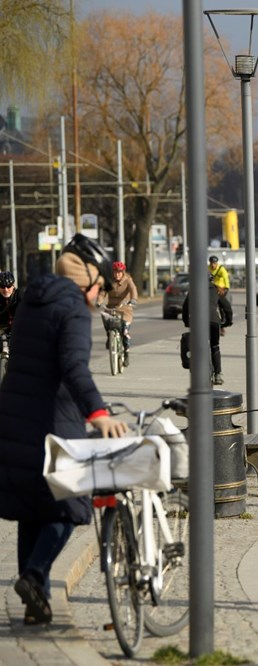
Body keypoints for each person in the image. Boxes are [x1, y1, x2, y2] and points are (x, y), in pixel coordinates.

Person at [0, 234, 129, 626]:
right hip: (54, 420)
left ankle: (35, 607)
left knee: (31, 510)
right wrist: (99, 413)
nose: (100, 296)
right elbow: (75, 367)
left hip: (12, 418)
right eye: (101, 289)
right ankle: (35, 575)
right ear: (88, 281)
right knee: (71, 506)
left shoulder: (31, 301)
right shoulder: (71, 308)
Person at [183, 279, 234, 386]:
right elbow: (227, 307)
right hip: (213, 321)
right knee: (215, 346)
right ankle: (218, 375)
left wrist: (187, 322)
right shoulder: (216, 290)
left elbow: (185, 308)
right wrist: (228, 321)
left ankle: (196, 371)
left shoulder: (194, 290)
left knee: (195, 346)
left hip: (198, 322)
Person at [101, 261, 138, 364]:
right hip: (111, 308)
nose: (117, 274)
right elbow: (102, 292)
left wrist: (133, 299)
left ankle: (126, 354)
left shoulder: (128, 280)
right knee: (105, 317)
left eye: (119, 272)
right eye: (115, 272)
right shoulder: (108, 281)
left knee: (125, 332)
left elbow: (133, 289)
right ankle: (109, 336)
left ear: (123, 272)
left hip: (125, 309)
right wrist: (99, 301)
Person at [0, 270, 19, 335]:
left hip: (19, 327)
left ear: (13, 286)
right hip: (3, 327)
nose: (6, 290)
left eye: (8, 286)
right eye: (2, 286)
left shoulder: (20, 295)